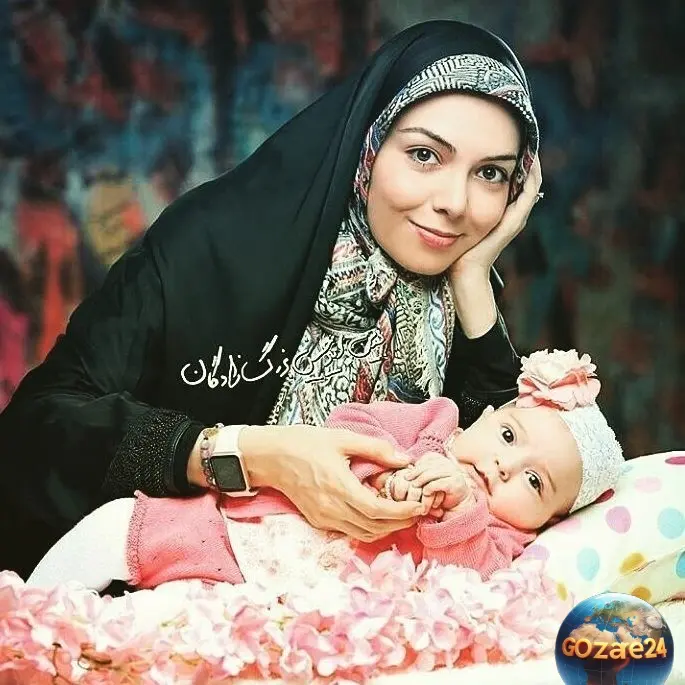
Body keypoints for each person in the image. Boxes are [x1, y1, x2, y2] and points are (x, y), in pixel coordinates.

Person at [0, 20, 544, 577]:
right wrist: (252, 456)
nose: (456, 203)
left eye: (491, 174)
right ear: (369, 143)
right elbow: (37, 430)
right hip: (160, 601)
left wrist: (473, 281)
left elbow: (515, 492)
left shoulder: (454, 296)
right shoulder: (214, 244)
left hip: (352, 616)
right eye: (425, 155)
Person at [27, 349, 623, 591]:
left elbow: (473, 583)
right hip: (242, 534)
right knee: (123, 529)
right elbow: (348, 425)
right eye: (510, 437)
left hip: (288, 608)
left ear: (548, 520)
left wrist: (460, 513)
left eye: (535, 483)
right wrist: (386, 470)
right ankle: (29, 619)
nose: (502, 466)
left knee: (173, 626)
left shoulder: (501, 538)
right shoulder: (433, 422)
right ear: (487, 416)